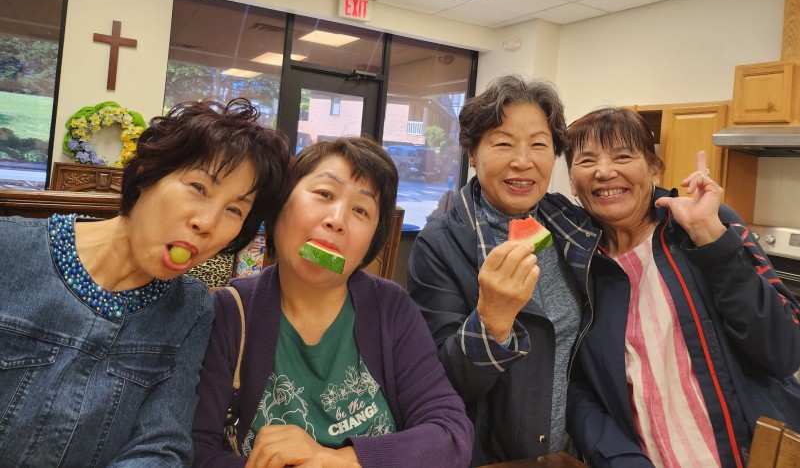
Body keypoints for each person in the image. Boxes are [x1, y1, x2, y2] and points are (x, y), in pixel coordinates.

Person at [0, 98, 291, 466]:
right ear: (146, 173)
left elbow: (160, 445)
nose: (207, 223)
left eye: (234, 210)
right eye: (198, 187)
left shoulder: (191, 309)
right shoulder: (9, 248)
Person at [563, 106, 800, 468]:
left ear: (655, 167)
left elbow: (784, 352)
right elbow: (577, 385)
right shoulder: (576, 262)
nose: (604, 171)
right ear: (572, 181)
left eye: (623, 156)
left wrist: (712, 241)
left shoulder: (706, 225)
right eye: (586, 160)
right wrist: (619, 459)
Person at [192, 136, 474, 468]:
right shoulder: (228, 312)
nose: (337, 220)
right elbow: (195, 452)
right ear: (280, 205)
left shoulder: (391, 308)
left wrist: (337, 460)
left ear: (370, 244)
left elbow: (450, 434)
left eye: (361, 210)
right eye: (324, 194)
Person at [407, 75, 590, 465]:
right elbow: (438, 383)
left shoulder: (570, 225)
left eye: (538, 144)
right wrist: (492, 319)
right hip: (495, 458)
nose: (522, 161)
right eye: (503, 143)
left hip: (575, 453)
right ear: (473, 153)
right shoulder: (440, 244)